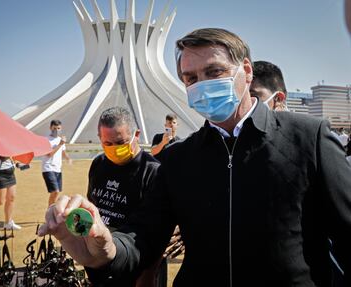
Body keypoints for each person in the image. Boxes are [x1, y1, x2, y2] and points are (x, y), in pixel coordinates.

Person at [39, 28, 351, 286]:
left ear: (245, 70)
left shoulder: (309, 139)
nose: (201, 85)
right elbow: (141, 240)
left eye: (214, 72)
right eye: (190, 78)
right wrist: (105, 249)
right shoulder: (179, 160)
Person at [86, 106, 166, 287]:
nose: (115, 149)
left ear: (136, 135)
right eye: (107, 144)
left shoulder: (153, 172)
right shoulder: (99, 164)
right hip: (102, 263)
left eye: (121, 142)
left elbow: (159, 233)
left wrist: (148, 275)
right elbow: (93, 209)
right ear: (100, 139)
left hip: (139, 269)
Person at [41, 120, 71, 207]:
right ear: (50, 128)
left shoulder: (60, 140)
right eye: (54, 128)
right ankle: (49, 213)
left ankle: (51, 211)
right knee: (55, 191)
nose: (56, 130)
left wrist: (68, 158)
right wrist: (60, 144)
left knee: (56, 192)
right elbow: (49, 154)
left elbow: (63, 152)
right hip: (48, 168)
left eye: (58, 128)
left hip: (58, 169)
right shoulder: (46, 140)